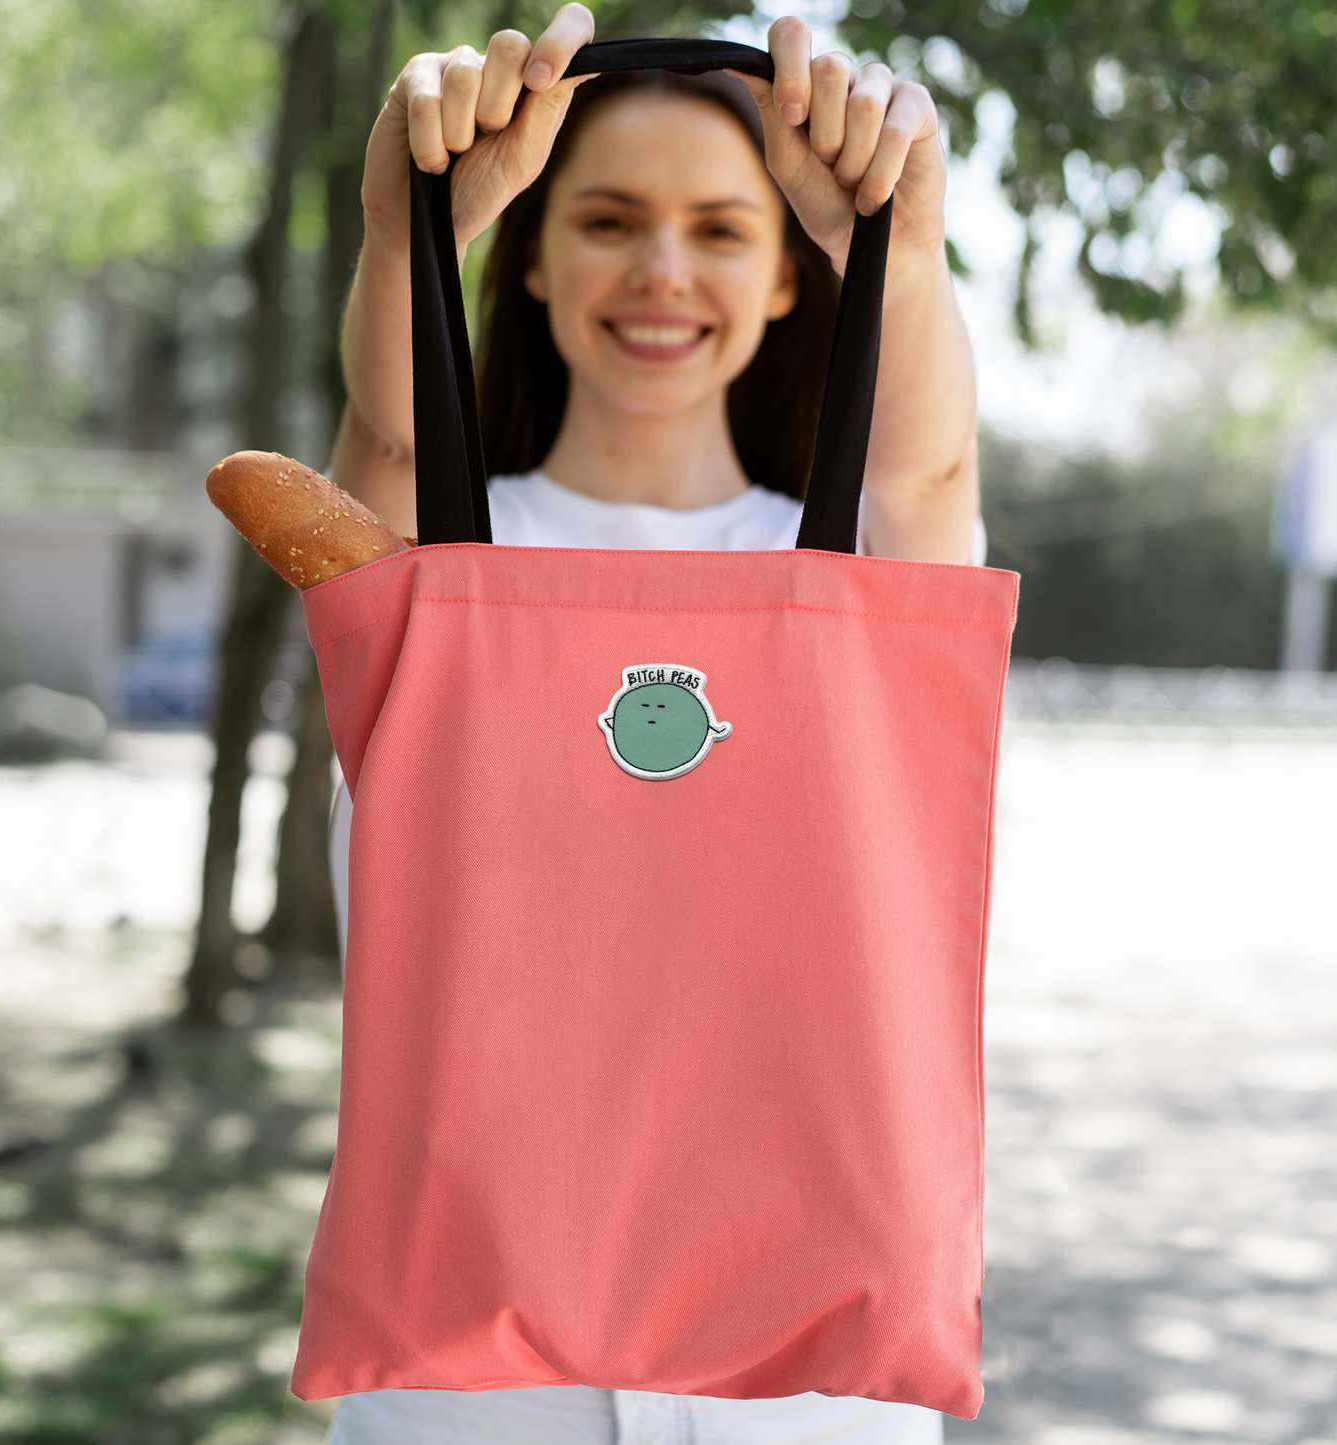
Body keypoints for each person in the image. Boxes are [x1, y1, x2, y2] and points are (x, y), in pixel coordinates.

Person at [323, 7, 982, 1442]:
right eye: (609, 218)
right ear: (534, 251)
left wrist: (900, 248)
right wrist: (407, 230)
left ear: (791, 276)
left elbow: (928, 478)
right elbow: (383, 443)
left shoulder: (855, 590)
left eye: (723, 229)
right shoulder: (431, 581)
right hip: (479, 1407)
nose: (662, 270)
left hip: (809, 1407)